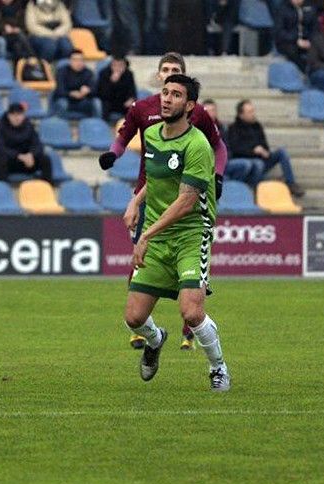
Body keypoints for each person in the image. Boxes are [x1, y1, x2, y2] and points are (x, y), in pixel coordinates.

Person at [98, 52, 227, 352]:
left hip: (188, 211)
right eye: (165, 72)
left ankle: (191, 333)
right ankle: (146, 331)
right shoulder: (144, 113)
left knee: (191, 302)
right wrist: (117, 163)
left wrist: (217, 177)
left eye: (175, 72)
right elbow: (125, 138)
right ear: (158, 77)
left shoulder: (197, 124)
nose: (169, 77)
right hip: (152, 198)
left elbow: (218, 148)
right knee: (139, 265)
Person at [123, 73, 229, 393]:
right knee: (134, 318)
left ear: (190, 105)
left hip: (191, 232)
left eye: (176, 95)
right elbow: (154, 180)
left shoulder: (197, 145)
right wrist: (135, 202)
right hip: (158, 233)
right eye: (164, 93)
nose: (167, 99)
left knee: (192, 312)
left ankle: (218, 368)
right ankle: (156, 340)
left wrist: (145, 235)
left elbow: (186, 201)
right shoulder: (153, 135)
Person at [225, 100, 305, 196]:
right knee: (258, 164)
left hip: (261, 159)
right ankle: (256, 190)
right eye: (250, 112)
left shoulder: (257, 126)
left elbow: (264, 145)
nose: (253, 114)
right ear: (241, 115)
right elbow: (235, 149)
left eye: (253, 111)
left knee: (282, 152)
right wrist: (253, 151)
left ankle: (291, 183)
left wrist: (265, 151)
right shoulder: (233, 128)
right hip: (246, 162)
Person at [0, 102, 53, 182]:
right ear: (8, 116)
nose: (16, 118)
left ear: (23, 115)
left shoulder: (29, 126)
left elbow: (38, 145)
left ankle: (47, 187)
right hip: (12, 161)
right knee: (1, 160)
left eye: (19, 115)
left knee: (46, 159)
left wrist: (31, 155)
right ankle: (3, 190)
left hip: (29, 161)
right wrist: (19, 156)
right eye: (13, 115)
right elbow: (0, 148)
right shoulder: (0, 127)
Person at [52, 49, 101, 119]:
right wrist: (71, 94)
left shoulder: (88, 73)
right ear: (70, 61)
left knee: (96, 102)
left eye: (81, 60)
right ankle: (62, 126)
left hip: (83, 101)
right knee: (62, 103)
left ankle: (97, 125)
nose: (78, 63)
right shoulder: (62, 72)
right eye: (75, 60)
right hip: (67, 100)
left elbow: (95, 90)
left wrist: (88, 90)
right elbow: (59, 91)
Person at [274, 0, 315, 71]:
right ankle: (303, 70)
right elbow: (279, 32)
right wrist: (296, 40)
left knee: (320, 48)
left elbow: (315, 28)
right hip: (289, 41)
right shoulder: (282, 8)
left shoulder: (310, 6)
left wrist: (310, 41)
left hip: (307, 40)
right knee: (291, 50)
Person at [96, 55, 137, 123]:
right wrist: (112, 82)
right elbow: (102, 93)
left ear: (125, 66)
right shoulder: (104, 73)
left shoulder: (129, 74)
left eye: (120, 65)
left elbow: (132, 90)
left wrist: (131, 99)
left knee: (133, 106)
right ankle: (105, 125)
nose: (117, 68)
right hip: (108, 101)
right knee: (104, 105)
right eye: (114, 65)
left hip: (123, 102)